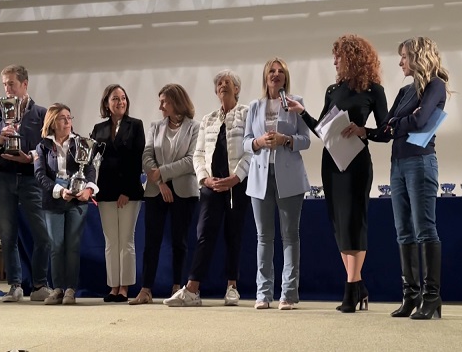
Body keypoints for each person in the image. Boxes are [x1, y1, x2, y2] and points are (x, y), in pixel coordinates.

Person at [287, 35, 388, 312]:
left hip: (356, 164)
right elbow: (322, 129)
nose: (335, 62)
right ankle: (358, 286)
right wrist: (302, 113)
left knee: (355, 222)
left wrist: (363, 130)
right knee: (340, 224)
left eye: (339, 57)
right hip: (332, 164)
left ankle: (351, 288)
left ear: (353, 58)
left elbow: (386, 132)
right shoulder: (333, 90)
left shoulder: (374, 90)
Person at [367, 37, 450, 319]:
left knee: (425, 229)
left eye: (404, 56)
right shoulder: (405, 91)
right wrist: (373, 129)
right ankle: (411, 295)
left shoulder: (435, 85)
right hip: (398, 165)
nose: (401, 62)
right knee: (403, 231)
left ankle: (432, 297)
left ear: (417, 57)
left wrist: (397, 124)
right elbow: (385, 129)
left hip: (421, 162)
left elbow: (420, 121)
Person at [163, 70, 251, 307]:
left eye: (227, 82)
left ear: (236, 89)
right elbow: (198, 154)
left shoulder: (247, 114)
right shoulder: (208, 119)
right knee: (204, 235)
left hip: (237, 185)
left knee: (234, 235)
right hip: (211, 187)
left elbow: (251, 150)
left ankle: (232, 287)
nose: (223, 85)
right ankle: (192, 289)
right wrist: (205, 179)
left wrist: (237, 177)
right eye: (219, 83)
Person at [243, 57, 311, 310]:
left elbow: (306, 139)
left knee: (290, 236)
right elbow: (245, 142)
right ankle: (263, 294)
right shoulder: (254, 106)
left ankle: (288, 294)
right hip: (260, 177)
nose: (276, 74)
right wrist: (258, 142)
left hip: (289, 177)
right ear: (265, 77)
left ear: (285, 77)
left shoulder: (296, 103)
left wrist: (286, 140)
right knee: (263, 237)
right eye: (271, 71)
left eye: (280, 71)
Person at [0, 64, 51, 303]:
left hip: (32, 180)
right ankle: (15, 286)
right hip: (3, 179)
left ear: (24, 84)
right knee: (9, 235)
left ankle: (40, 284)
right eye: (4, 84)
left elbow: (49, 148)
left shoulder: (41, 114)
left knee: (42, 235)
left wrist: (30, 157)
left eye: (11, 83)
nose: (7, 89)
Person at [130, 84, 199, 305]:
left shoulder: (194, 128)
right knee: (151, 242)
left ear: (176, 102)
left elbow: (191, 160)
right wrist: (160, 182)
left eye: (164, 102)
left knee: (180, 242)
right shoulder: (155, 127)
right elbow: (146, 156)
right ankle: (146, 290)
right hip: (155, 190)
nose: (160, 106)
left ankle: (178, 288)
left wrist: (163, 172)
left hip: (184, 192)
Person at [34, 103, 99, 305]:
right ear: (53, 122)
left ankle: (71, 289)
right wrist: (59, 190)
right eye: (63, 118)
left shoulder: (81, 142)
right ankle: (57, 289)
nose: (68, 121)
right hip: (53, 201)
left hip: (77, 201)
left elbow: (90, 169)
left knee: (72, 246)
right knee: (56, 247)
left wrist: (88, 190)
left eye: (69, 118)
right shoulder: (42, 146)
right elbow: (40, 175)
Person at [91, 84, 145, 302]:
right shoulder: (99, 128)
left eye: (123, 98)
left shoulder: (136, 125)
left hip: (129, 192)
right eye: (115, 98)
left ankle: (124, 288)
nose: (120, 102)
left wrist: (127, 191)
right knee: (111, 242)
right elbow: (90, 159)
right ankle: (113, 287)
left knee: (126, 240)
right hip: (105, 191)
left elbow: (137, 160)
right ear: (107, 103)